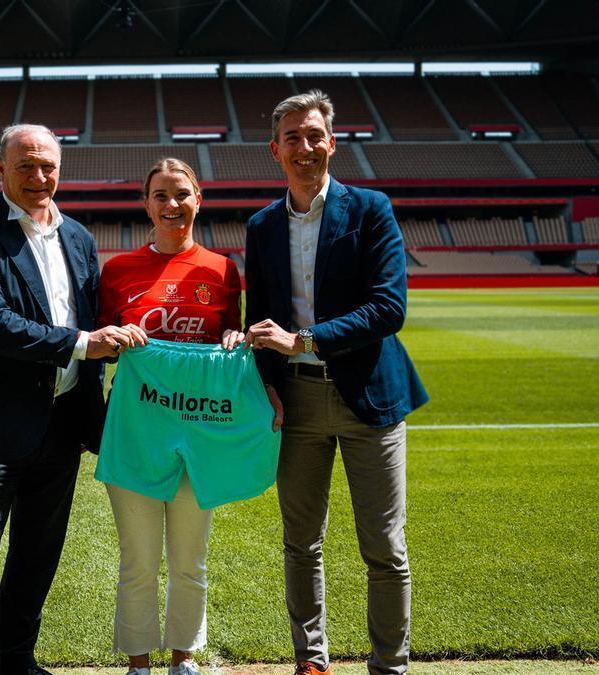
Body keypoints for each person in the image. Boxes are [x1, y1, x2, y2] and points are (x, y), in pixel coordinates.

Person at [0, 123, 140, 675]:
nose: (39, 176)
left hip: (63, 421)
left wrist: (135, 341)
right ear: (0, 168)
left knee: (37, 553)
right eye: (26, 164)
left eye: (48, 165)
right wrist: (84, 343)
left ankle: (17, 662)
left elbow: (93, 318)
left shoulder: (78, 237)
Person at [243, 91, 429, 675]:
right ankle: (311, 662)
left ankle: (389, 667)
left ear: (332, 141)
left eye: (314, 134)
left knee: (384, 548)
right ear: (275, 151)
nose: (305, 146)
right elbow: (265, 312)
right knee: (301, 542)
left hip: (369, 394)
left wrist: (305, 340)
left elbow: (389, 307)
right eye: (292, 137)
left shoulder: (371, 208)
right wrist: (270, 382)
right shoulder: (262, 225)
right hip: (294, 402)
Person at [94, 159, 244, 675]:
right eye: (161, 195)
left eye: (182, 193)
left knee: (189, 560)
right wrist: (116, 340)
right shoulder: (116, 271)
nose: (172, 205)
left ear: (199, 198)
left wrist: (234, 339)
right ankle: (138, 665)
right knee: (137, 561)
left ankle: (184, 660)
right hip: (135, 430)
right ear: (146, 203)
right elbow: (99, 349)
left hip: (199, 433)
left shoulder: (224, 271)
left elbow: (234, 349)